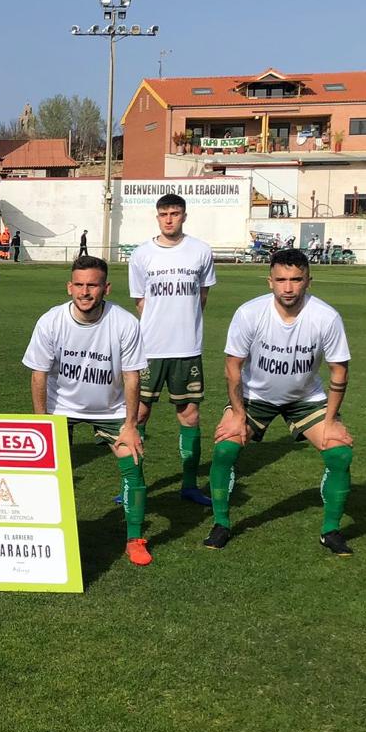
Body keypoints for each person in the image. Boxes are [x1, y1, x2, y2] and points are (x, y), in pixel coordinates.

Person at [204, 249, 354, 555]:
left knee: (339, 453)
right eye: (282, 279)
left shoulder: (326, 317)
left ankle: (331, 531)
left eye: (296, 279)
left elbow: (340, 370)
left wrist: (330, 421)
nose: (288, 287)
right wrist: (235, 412)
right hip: (255, 397)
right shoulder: (250, 313)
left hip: (305, 398)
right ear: (269, 281)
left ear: (308, 281)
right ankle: (221, 523)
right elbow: (233, 366)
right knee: (225, 448)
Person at [23, 255, 152, 566]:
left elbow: (131, 375)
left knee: (133, 463)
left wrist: (131, 424)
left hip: (110, 408)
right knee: (49, 473)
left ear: (105, 288)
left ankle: (135, 539)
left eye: (92, 285)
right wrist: (42, 423)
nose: (85, 292)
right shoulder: (51, 321)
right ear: (69, 287)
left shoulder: (124, 322)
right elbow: (38, 374)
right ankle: (48, 534)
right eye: (79, 285)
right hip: (60, 408)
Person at [127, 193, 217, 506]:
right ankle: (132, 482)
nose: (169, 219)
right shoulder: (141, 254)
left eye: (175, 213)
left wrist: (184, 325)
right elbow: (141, 301)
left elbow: (202, 297)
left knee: (190, 415)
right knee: (138, 414)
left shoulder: (201, 251)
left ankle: (190, 485)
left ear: (184, 216)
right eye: (164, 213)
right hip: (149, 348)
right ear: (157, 217)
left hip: (187, 348)